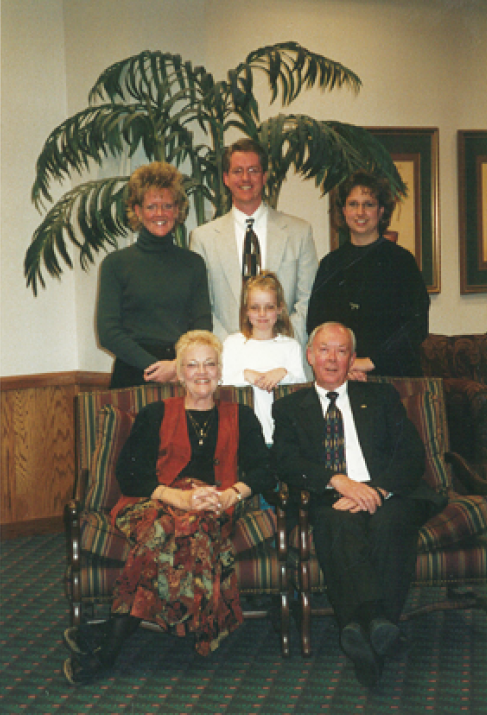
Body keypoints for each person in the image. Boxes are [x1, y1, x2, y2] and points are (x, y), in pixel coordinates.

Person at [63, 330, 274, 685]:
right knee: (169, 527)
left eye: (210, 363)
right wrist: (176, 497)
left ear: (221, 370)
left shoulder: (242, 415)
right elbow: (129, 474)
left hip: (212, 506)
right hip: (150, 504)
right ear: (179, 372)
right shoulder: (155, 413)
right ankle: (124, 638)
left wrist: (231, 494)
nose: (202, 372)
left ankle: (108, 638)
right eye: (192, 365)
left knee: (191, 526)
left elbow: (266, 470)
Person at [272, 322, 446, 687]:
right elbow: (286, 461)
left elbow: (411, 456)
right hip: (332, 495)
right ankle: (379, 628)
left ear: (352, 358)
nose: (332, 358)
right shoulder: (289, 406)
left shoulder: (382, 397)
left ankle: (360, 626)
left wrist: (378, 490)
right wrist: (337, 481)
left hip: (390, 494)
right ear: (309, 355)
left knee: (388, 522)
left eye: (340, 351)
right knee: (336, 522)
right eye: (324, 349)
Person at [190, 138, 318, 351]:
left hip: (285, 355)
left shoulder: (299, 232)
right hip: (228, 359)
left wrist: (280, 343)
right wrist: (233, 348)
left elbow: (308, 301)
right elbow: (204, 308)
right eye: (237, 171)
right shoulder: (203, 238)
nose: (245, 178)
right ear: (226, 178)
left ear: (264, 176)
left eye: (253, 170)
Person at [97, 162, 212, 388]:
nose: (160, 214)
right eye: (151, 206)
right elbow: (108, 332)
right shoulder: (115, 264)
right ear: (138, 211)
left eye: (167, 205)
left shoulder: (194, 264)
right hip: (132, 375)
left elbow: (202, 327)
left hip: (181, 375)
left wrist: (177, 366)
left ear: (177, 210)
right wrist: (154, 367)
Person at [306, 171, 430, 379]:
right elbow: (316, 325)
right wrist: (343, 365)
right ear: (344, 210)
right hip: (341, 376)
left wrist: (370, 362)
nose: (360, 212)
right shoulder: (330, 264)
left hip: (392, 376)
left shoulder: (401, 261)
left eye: (369, 204)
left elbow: (416, 326)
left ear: (381, 211)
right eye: (353, 204)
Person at [222, 271, 306, 444]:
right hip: (242, 435)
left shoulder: (290, 346)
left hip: (282, 435)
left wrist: (283, 373)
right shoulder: (233, 344)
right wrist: (246, 374)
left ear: (280, 309)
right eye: (255, 307)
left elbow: (301, 387)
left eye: (269, 307)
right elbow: (221, 383)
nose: (262, 314)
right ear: (245, 310)